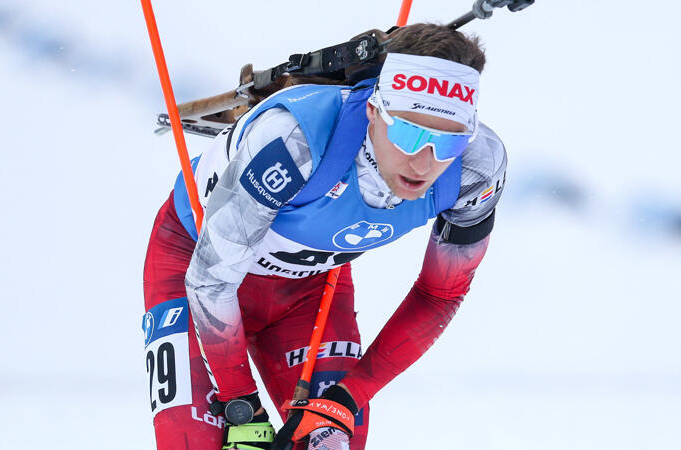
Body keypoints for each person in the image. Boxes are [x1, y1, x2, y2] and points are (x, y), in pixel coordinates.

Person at [142, 23, 507, 450]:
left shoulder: (476, 171)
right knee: (194, 443)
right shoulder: (296, 140)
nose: (425, 163)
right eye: (409, 133)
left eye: (449, 142)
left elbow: (439, 295)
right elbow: (211, 281)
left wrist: (346, 398)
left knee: (331, 444)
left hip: (308, 291)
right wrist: (243, 407)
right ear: (374, 110)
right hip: (193, 268)